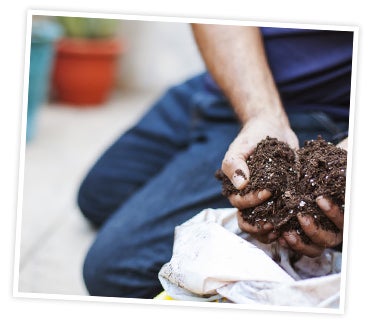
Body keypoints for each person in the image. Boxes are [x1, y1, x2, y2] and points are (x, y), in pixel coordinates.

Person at [77, 24, 353, 299]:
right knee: (98, 195)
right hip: (232, 75)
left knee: (114, 272)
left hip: (315, 108)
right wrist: (261, 113)